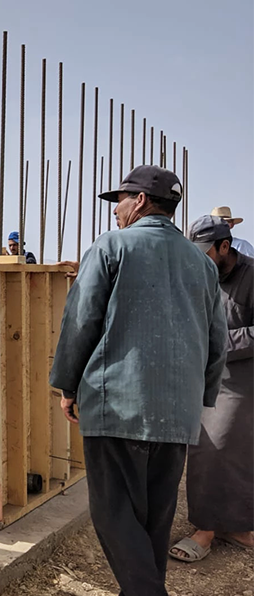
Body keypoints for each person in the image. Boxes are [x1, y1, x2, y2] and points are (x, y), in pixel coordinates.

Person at [49, 165, 228, 596]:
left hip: (119, 406)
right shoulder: (202, 264)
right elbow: (216, 338)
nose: (116, 211)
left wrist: (68, 386)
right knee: (154, 519)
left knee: (112, 512)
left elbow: (80, 322)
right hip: (177, 414)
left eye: (120, 201)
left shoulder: (112, 247)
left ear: (141, 201)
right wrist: (200, 395)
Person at [169, 215, 254, 562]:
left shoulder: (252, 275)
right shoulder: (198, 274)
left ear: (224, 246)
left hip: (241, 376)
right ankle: (228, 526)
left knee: (219, 447)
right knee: (211, 449)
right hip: (205, 376)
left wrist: (217, 342)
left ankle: (210, 530)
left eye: (206, 253)